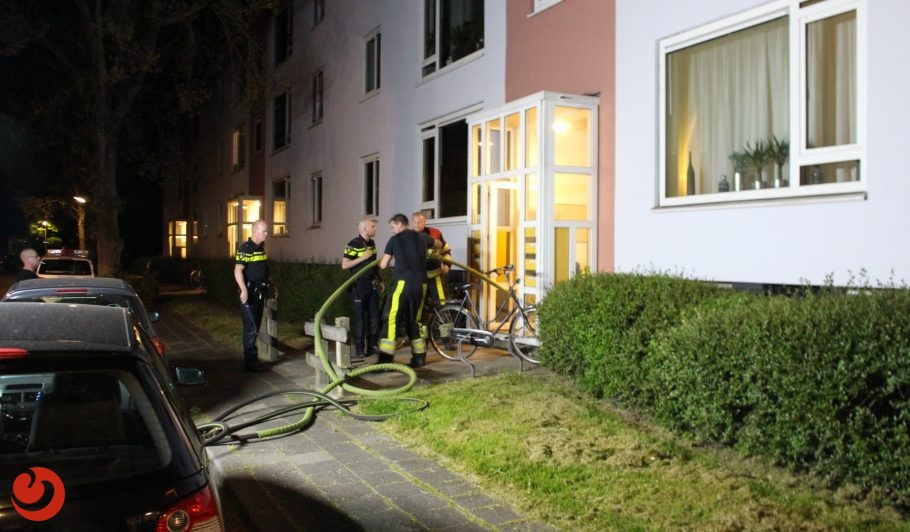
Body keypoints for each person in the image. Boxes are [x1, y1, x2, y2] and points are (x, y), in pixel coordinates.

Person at [378, 213, 429, 367]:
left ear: (400, 224)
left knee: (392, 317)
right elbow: (438, 244)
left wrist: (394, 255)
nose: (392, 230)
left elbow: (383, 265)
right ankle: (419, 358)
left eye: (393, 227)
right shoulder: (422, 237)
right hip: (421, 284)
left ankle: (385, 360)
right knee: (415, 321)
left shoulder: (394, 240)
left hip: (402, 284)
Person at [233, 220, 278, 372]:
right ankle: (251, 363)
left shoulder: (260, 249)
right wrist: (243, 290)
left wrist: (272, 285)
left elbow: (264, 271)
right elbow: (238, 270)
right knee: (251, 327)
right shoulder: (246, 248)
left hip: (259, 293)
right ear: (256, 231)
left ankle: (252, 361)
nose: (267, 234)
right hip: (249, 294)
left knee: (256, 326)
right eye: (264, 231)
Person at [342, 216, 383, 361]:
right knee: (359, 320)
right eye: (373, 226)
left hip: (371, 285)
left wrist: (380, 279)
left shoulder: (372, 243)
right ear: (364, 229)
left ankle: (372, 346)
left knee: (374, 318)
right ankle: (359, 349)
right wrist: (363, 257)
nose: (375, 228)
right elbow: (344, 265)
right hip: (358, 287)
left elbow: (374, 264)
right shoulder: (353, 244)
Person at [412, 212, 451, 306]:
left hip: (435, 275)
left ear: (425, 222)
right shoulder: (408, 236)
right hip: (417, 278)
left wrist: (447, 265)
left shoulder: (435, 233)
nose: (417, 225)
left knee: (441, 302)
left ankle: (444, 316)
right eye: (415, 222)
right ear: (412, 222)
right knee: (418, 304)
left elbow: (446, 250)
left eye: (420, 222)